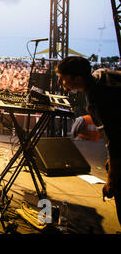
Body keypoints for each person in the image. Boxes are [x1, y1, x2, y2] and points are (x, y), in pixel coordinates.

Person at [57, 56, 121, 224]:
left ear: (77, 79)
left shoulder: (99, 100)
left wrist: (111, 180)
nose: (60, 82)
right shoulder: (101, 75)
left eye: (63, 79)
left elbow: (115, 143)